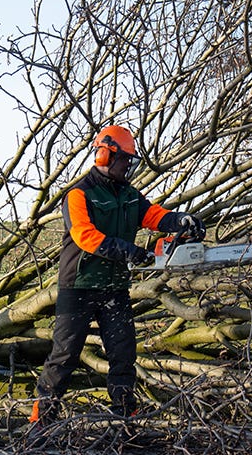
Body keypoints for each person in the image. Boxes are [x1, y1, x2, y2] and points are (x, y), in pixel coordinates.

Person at [29, 124, 205, 430]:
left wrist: (182, 221)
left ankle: (126, 419)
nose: (129, 167)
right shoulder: (79, 193)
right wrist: (130, 252)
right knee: (64, 355)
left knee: (123, 355)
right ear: (105, 155)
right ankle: (40, 421)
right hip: (79, 286)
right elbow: (86, 237)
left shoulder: (129, 195)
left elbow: (154, 216)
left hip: (114, 287)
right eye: (126, 160)